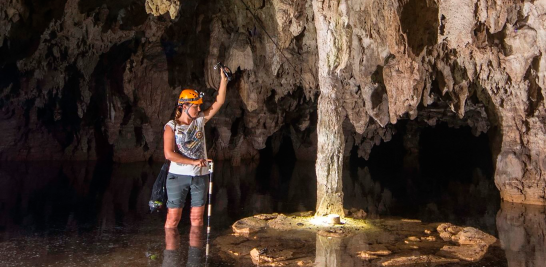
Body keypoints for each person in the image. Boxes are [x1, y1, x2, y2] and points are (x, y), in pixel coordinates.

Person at [163, 67, 228, 228]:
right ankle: (171, 253)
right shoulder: (172, 127)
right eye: (195, 106)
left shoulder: (199, 121)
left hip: (200, 176)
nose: (199, 109)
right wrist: (193, 162)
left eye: (199, 106)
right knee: (173, 219)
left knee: (198, 220)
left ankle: (196, 252)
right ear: (184, 107)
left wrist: (224, 80)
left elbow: (218, 102)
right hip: (178, 175)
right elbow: (169, 154)